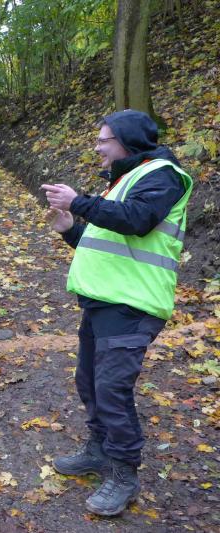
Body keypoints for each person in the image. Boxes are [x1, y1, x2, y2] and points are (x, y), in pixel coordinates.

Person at [42, 109, 193, 516]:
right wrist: (70, 228)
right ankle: (98, 450)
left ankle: (124, 474)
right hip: (104, 301)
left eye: (103, 140)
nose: (97, 148)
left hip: (132, 303)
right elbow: (107, 242)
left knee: (111, 389)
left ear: (126, 141)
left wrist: (79, 201)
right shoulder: (122, 181)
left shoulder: (162, 175)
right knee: (90, 382)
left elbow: (137, 221)